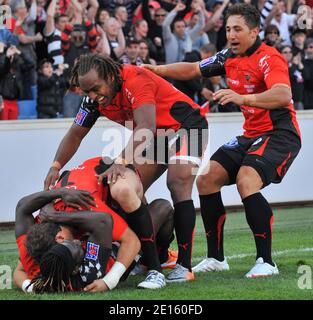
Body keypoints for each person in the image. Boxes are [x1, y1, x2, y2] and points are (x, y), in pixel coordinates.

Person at [143, 3, 301, 278]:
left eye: (238, 29)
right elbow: (193, 68)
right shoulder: (228, 56)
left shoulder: (269, 58)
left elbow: (282, 95)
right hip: (251, 135)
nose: (231, 34)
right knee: (207, 179)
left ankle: (266, 261)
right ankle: (217, 258)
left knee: (246, 179)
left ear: (254, 31)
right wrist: (157, 71)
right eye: (228, 29)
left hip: (280, 134)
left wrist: (244, 99)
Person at [43, 54, 208, 283]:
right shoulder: (94, 97)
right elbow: (75, 133)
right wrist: (56, 165)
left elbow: (146, 126)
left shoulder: (136, 79)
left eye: (95, 89)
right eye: (86, 91)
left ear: (110, 76)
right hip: (156, 137)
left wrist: (120, 161)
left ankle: (184, 266)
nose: (92, 96)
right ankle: (157, 256)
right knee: (130, 190)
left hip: (188, 126)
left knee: (177, 182)